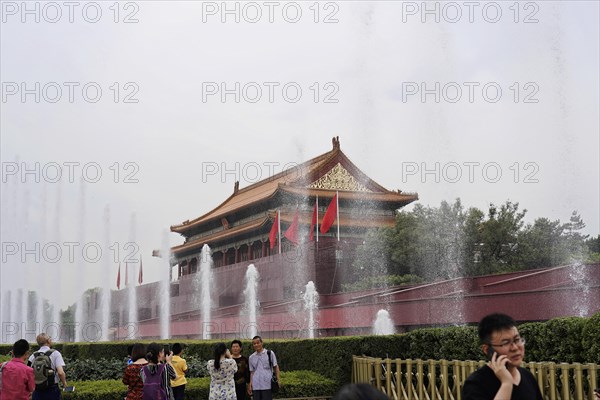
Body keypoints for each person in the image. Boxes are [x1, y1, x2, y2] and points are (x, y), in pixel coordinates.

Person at [462, 313, 543, 400]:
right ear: (486, 349)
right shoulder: (476, 384)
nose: (515, 348)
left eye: (517, 340)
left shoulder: (528, 377)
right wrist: (506, 384)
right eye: (505, 343)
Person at [27, 333, 68, 400]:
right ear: (48, 341)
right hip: (52, 389)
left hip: (37, 390)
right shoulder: (55, 353)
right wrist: (64, 383)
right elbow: (60, 372)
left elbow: (28, 373)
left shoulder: (33, 356)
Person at [248, 336, 280, 400]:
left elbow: (276, 367)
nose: (256, 345)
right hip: (256, 385)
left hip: (267, 385)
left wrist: (278, 380)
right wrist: (250, 384)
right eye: (254, 343)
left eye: (258, 343)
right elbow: (252, 372)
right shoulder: (251, 357)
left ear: (262, 343)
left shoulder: (270, 353)